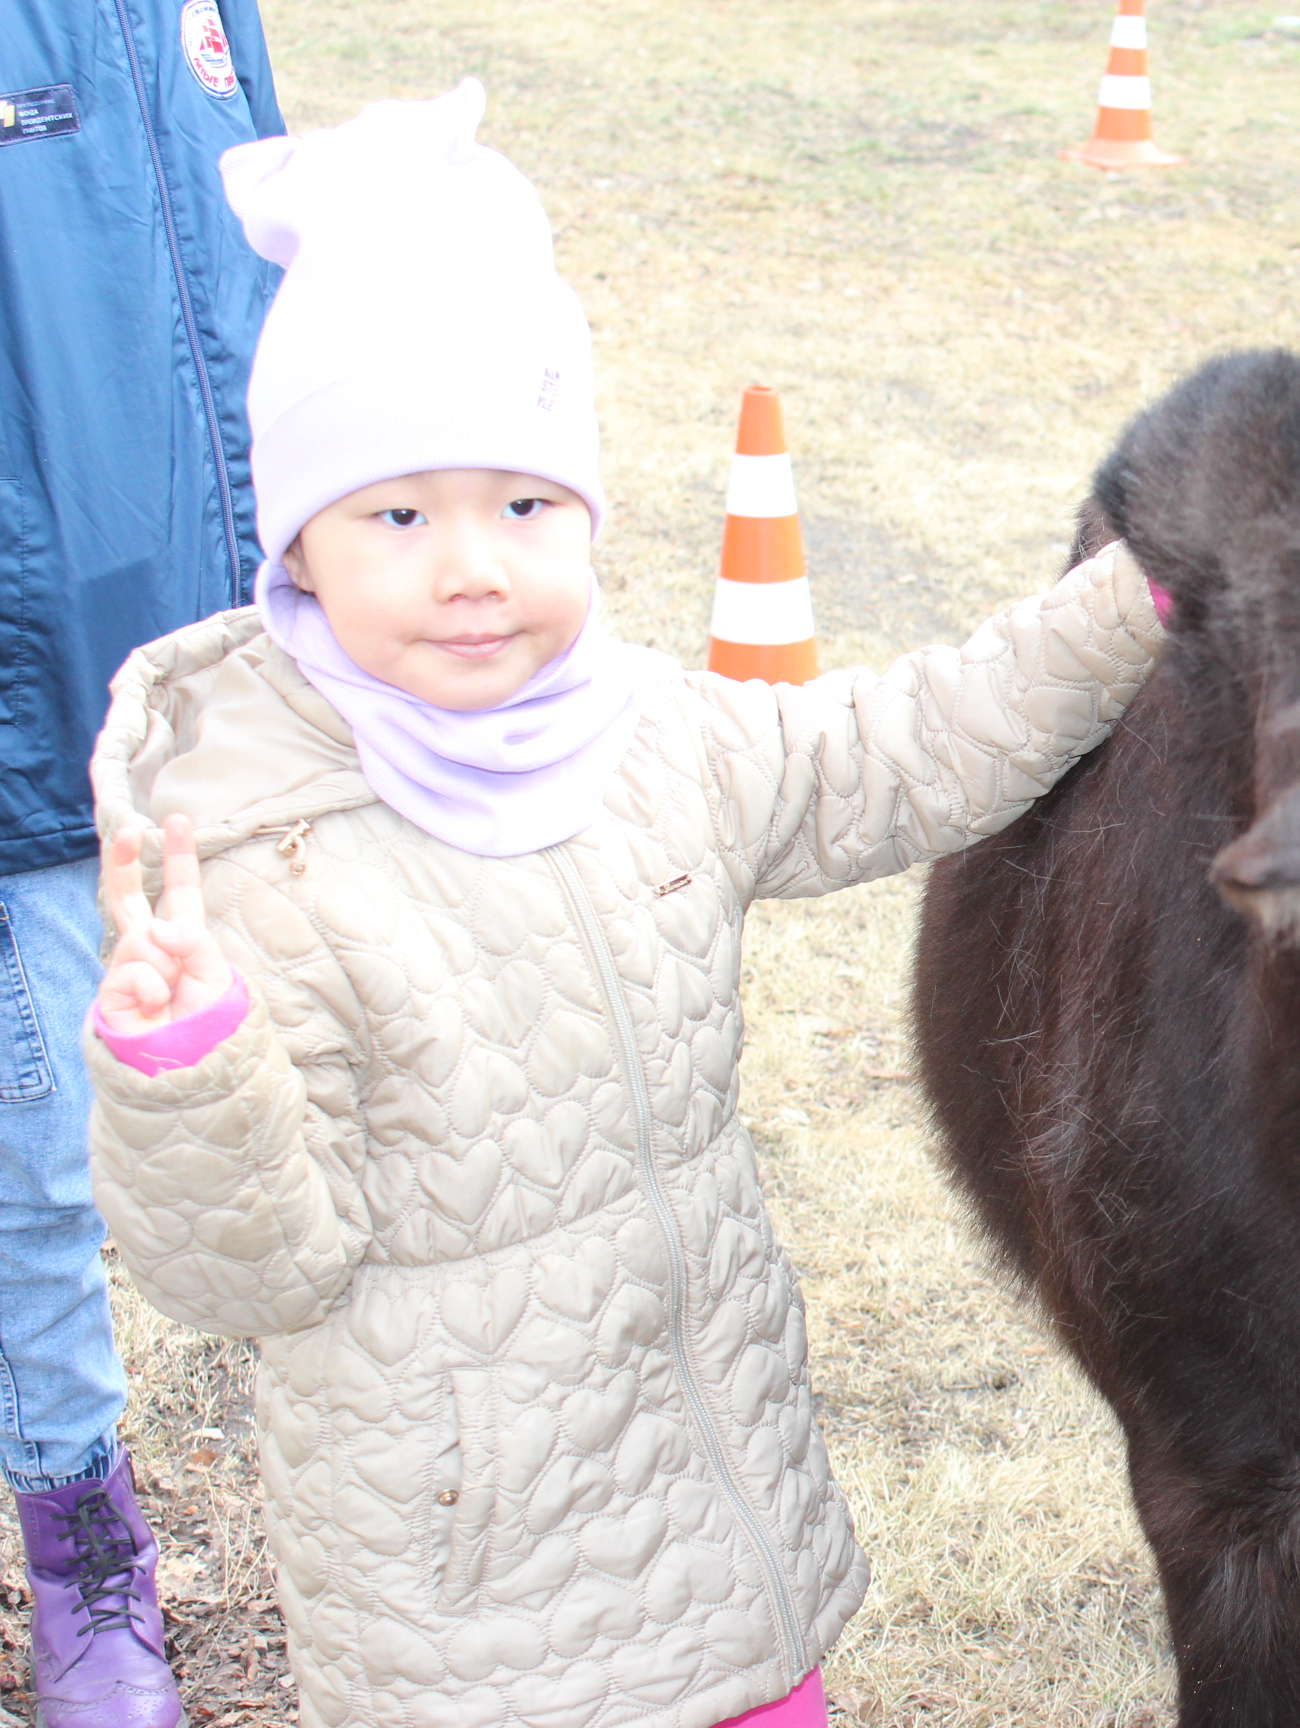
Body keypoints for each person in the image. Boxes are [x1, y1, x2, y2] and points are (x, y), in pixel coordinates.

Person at [76, 81, 1164, 1728]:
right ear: (296, 549)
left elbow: (898, 749)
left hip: (713, 1527)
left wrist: (1133, 601)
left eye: (523, 505)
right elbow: (256, 1276)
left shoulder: (648, 734)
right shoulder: (252, 858)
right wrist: (188, 1070)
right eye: (396, 514)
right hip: (467, 1614)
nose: (471, 568)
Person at [1, 1, 283, 1723]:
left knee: (349, 1102)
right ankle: (82, 1547)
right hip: (26, 716)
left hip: (243, 685)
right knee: (40, 1178)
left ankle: (416, 1507)